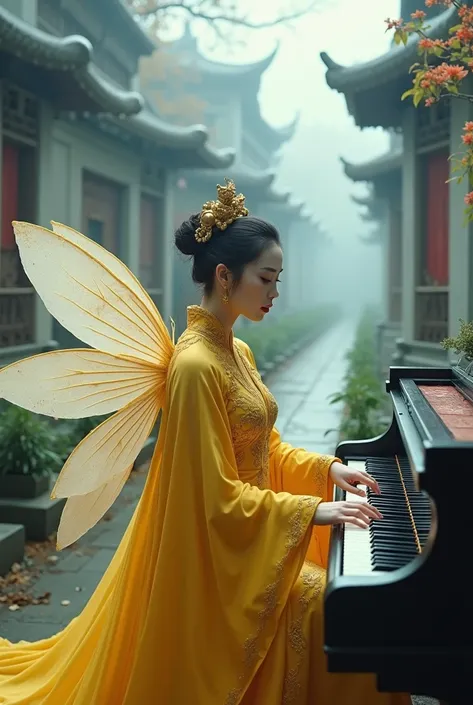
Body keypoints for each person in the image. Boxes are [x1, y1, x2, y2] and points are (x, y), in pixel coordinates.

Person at [0, 179, 410, 705]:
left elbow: (266, 448)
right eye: (266, 278)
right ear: (224, 275)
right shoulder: (194, 367)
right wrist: (312, 513)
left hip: (250, 544)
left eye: (277, 278)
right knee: (338, 610)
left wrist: (326, 471)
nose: (275, 292)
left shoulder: (236, 351)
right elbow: (212, 500)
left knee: (352, 601)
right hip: (217, 562)